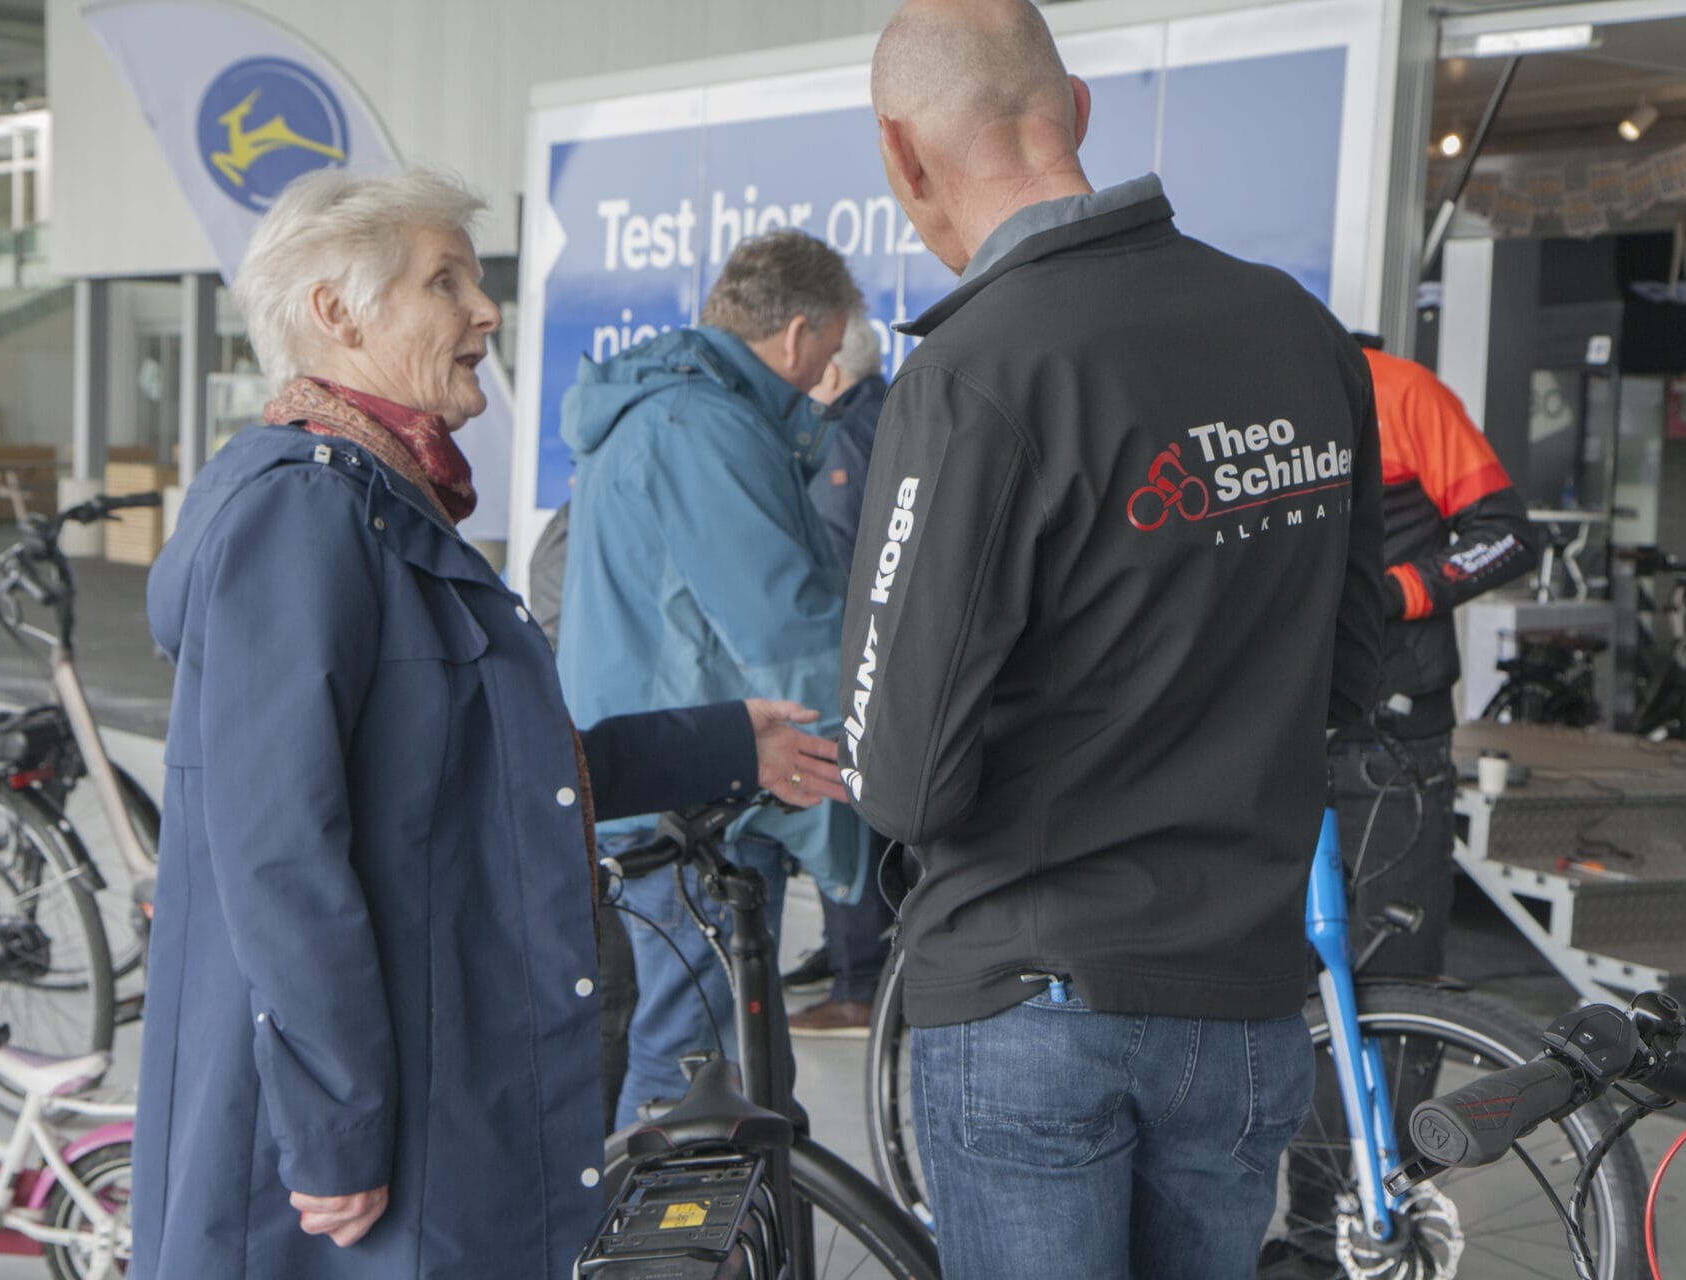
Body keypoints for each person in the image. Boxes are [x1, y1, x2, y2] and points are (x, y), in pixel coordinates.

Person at [130, 167, 847, 1280]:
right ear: (337, 312)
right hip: (378, 1132)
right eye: (446, 281)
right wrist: (334, 1124)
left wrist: (725, 741)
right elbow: (274, 849)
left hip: (433, 1086)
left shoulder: (377, 500)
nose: (486, 310)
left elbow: (481, 769)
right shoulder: (305, 512)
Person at [838, 4, 1386, 1278]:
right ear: (1076, 110)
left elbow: (900, 775)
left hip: (1038, 996)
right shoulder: (1299, 332)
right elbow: (1352, 677)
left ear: (900, 158)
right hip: (1245, 1000)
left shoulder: (976, 371)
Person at [558, 228, 867, 1128]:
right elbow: (787, 629)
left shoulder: (671, 409)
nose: (825, 376)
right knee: (695, 1074)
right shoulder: (703, 425)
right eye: (830, 348)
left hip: (674, 769)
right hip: (704, 792)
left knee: (705, 1063)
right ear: (798, 332)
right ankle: (664, 1267)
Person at [1266, 336, 1540, 1277]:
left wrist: (1394, 592)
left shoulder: (1400, 390)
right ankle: (1308, 1240)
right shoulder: (1228, 397)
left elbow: (1507, 529)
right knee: (1285, 1000)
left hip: (1387, 745)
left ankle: (1368, 1228)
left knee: (1385, 1000)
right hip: (1267, 742)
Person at [786, 315, 898, 1036]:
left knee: (843, 813)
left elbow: (829, 566)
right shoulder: (893, 415)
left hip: (854, 665)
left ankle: (858, 986)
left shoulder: (844, 437)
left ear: (829, 369)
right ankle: (848, 959)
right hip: (895, 667)